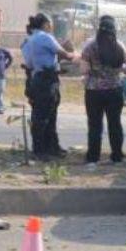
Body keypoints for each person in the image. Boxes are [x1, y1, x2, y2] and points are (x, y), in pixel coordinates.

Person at [24, 13, 76, 161]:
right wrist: (74, 55)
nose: (52, 26)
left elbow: (29, 63)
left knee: (41, 115)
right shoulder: (45, 37)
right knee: (47, 115)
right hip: (47, 80)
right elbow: (65, 54)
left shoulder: (29, 40)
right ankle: (42, 150)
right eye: (50, 24)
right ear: (46, 24)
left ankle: (49, 147)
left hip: (36, 79)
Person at [80, 16, 126, 166]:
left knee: (94, 125)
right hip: (115, 90)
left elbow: (84, 69)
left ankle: (93, 158)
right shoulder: (120, 46)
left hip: (94, 91)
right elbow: (123, 67)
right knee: (115, 123)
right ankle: (117, 156)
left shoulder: (90, 47)